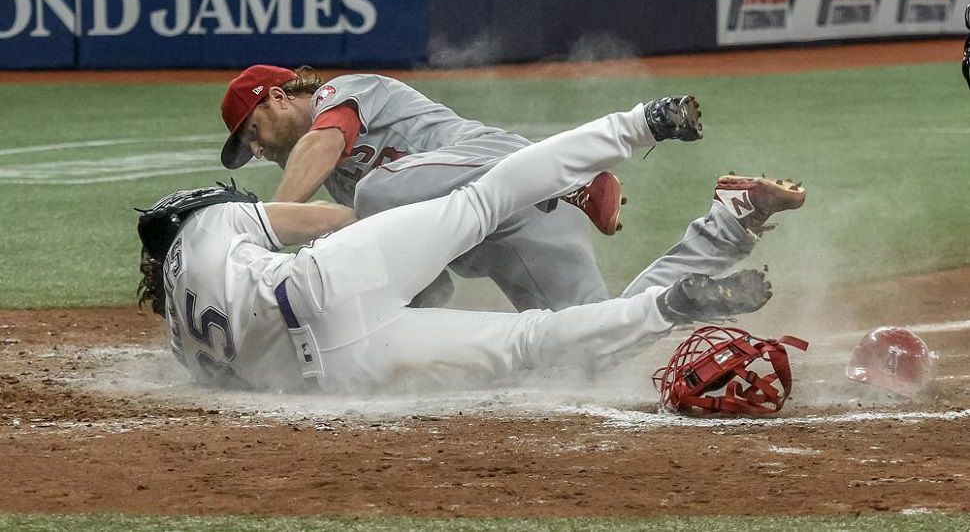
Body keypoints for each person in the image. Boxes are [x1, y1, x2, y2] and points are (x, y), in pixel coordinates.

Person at [138, 102, 802, 394]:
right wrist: (392, 238)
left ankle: (673, 305)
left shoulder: (188, 347)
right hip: (324, 283)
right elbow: (310, 222)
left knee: (532, 345)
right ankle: (638, 124)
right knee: (479, 204)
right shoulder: (208, 224)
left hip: (336, 368)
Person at [218, 65, 703, 311]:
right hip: (512, 236)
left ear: (278, 97)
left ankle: (573, 180)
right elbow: (429, 280)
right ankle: (718, 240)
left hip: (509, 173)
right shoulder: (342, 182)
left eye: (252, 134)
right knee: (595, 342)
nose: (256, 151)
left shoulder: (340, 92)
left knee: (373, 199)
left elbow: (324, 144)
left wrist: (266, 223)